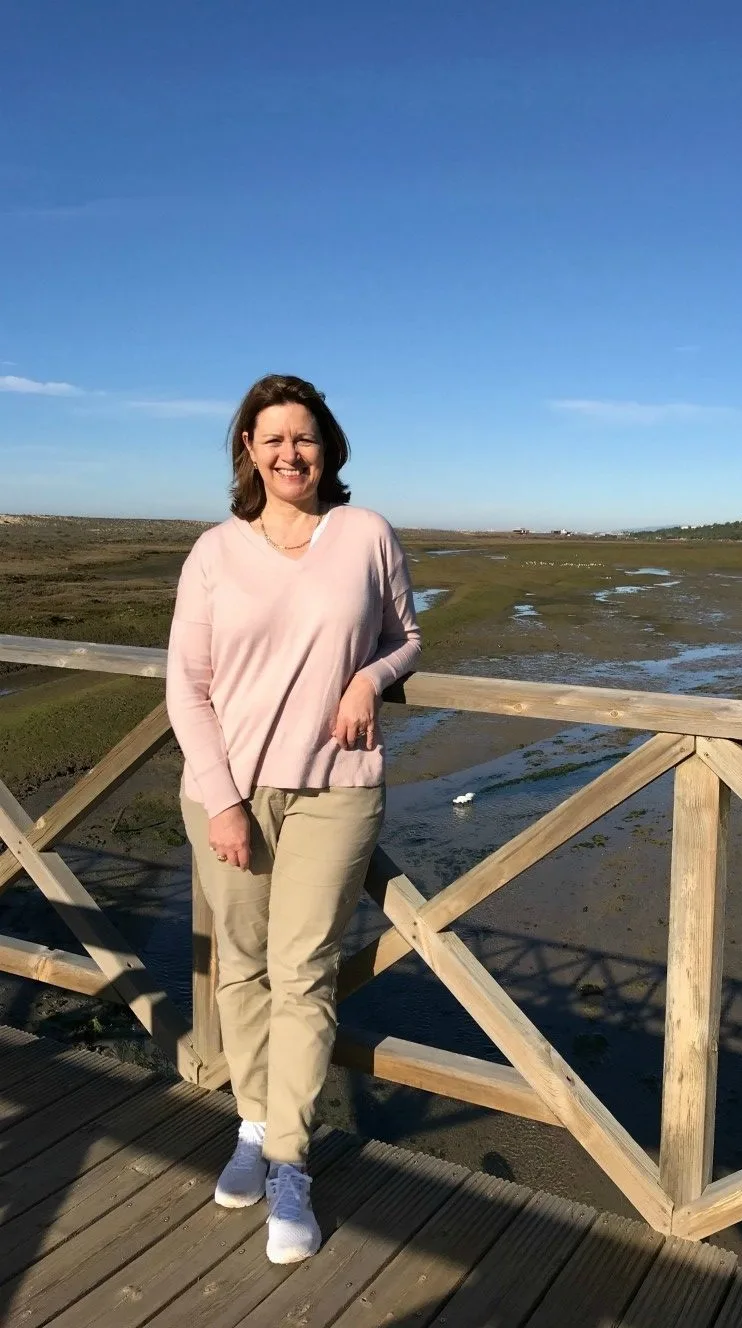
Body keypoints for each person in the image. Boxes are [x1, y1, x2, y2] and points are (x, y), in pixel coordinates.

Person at [166, 373, 421, 1264]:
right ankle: (249, 1122)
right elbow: (186, 689)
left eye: (304, 438)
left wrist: (369, 678)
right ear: (248, 449)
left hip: (336, 789)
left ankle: (288, 1164)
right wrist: (225, 798)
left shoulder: (365, 534)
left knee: (303, 972)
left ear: (328, 447)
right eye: (271, 438)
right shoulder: (214, 552)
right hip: (227, 798)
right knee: (239, 967)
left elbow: (406, 638)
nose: (289, 453)